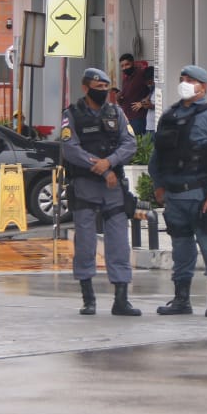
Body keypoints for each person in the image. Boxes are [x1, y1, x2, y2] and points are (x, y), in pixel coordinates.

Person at [149, 64, 207, 317]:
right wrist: (158, 185)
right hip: (174, 195)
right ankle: (181, 299)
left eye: (191, 79)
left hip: (201, 195)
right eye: (182, 78)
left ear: (203, 86)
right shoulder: (169, 115)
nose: (185, 83)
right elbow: (158, 155)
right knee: (180, 249)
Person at [60, 67, 140, 316]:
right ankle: (88, 298)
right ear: (85, 88)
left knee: (119, 243)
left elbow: (130, 144)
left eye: (106, 87)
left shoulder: (116, 112)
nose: (103, 92)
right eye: (98, 88)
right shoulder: (72, 115)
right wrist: (103, 169)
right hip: (86, 186)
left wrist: (110, 162)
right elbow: (70, 149)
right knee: (85, 242)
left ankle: (121, 300)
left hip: (114, 189)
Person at [117, 53, 154, 137]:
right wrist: (119, 98)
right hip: (127, 117)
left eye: (127, 64)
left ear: (133, 63)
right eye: (122, 66)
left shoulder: (141, 74)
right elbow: (125, 96)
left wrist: (142, 103)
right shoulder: (126, 79)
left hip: (139, 118)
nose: (124, 68)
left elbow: (153, 89)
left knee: (138, 142)